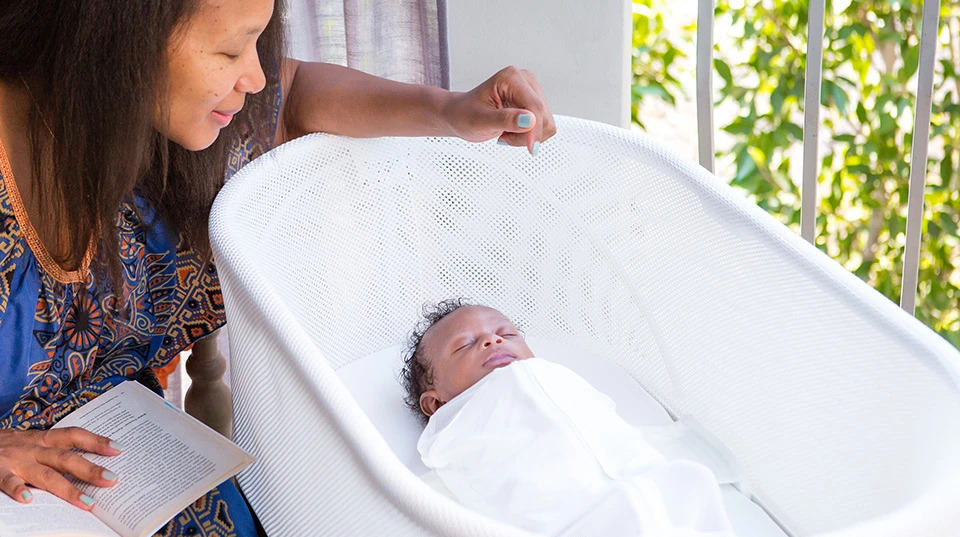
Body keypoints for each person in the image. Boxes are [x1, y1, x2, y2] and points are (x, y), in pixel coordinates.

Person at [0, 1, 556, 535]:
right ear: (114, 39)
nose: (255, 77)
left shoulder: (136, 122)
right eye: (228, 51)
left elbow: (293, 96)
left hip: (120, 450)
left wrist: (450, 112)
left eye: (256, 43)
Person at [400, 300, 737, 536]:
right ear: (435, 404)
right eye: (465, 345)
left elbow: (613, 430)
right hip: (572, 519)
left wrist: (690, 445)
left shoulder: (554, 378)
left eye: (508, 332)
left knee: (685, 491)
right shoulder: (454, 425)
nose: (493, 339)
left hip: (654, 493)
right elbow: (457, 484)